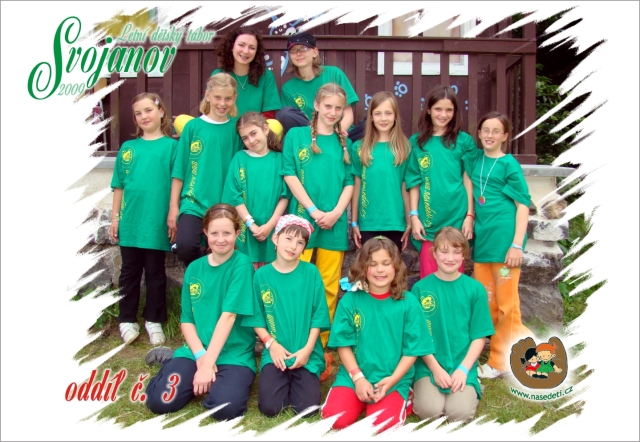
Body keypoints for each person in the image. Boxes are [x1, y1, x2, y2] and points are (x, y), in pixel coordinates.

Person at [144, 204, 257, 420]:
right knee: (159, 401)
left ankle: (216, 379)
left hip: (233, 354)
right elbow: (187, 319)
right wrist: (200, 357)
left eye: (227, 233)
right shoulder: (194, 268)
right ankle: (172, 362)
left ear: (237, 234)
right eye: (214, 233)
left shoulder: (241, 265)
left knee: (224, 409)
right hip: (197, 351)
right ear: (205, 233)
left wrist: (206, 366)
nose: (220, 239)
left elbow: (229, 317)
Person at [321, 237, 433, 433]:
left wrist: (393, 380)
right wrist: (358, 378)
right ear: (363, 267)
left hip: (392, 377)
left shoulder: (409, 302)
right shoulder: (350, 301)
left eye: (386, 263)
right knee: (334, 420)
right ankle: (358, 399)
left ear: (396, 266)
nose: (379, 270)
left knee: (381, 425)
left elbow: (413, 349)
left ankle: (404, 397)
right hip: (355, 375)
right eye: (372, 264)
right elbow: (343, 344)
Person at [281, 83, 353, 362]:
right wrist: (312, 210)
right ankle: (293, 338)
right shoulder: (296, 136)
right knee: (295, 281)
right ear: (317, 105)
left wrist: (335, 213)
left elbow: (349, 182)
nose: (332, 112)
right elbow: (290, 174)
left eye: (338, 108)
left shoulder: (345, 143)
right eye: (328, 106)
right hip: (301, 223)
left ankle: (320, 344)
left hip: (333, 224)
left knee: (328, 285)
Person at [241, 215, 331, 417]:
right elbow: (256, 317)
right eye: (288, 239)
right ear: (275, 239)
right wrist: (271, 344)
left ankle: (319, 364)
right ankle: (282, 376)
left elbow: (319, 316)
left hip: (305, 350)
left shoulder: (311, 273)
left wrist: (307, 350)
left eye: (300, 243)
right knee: (270, 408)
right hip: (276, 350)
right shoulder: (261, 275)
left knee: (307, 410)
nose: (293, 246)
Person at [468, 112, 533, 379]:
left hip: (505, 247)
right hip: (483, 244)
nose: (490, 135)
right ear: (479, 132)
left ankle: (500, 362)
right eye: (485, 130)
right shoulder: (475, 159)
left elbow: (523, 205)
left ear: (505, 136)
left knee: (507, 304)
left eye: (496, 131)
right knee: (487, 302)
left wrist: (516, 245)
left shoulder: (509, 165)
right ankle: (528, 347)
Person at [109, 92, 177, 345]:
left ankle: (154, 319)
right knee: (129, 271)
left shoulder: (172, 147)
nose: (144, 116)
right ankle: (126, 319)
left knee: (155, 271)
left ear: (161, 112)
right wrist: (115, 218)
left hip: (156, 221)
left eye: (148, 110)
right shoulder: (129, 148)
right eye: (138, 113)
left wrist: (173, 214)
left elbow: (176, 182)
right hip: (131, 221)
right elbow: (119, 185)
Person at [409, 227, 495, 424]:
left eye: (456, 252)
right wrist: (435, 369)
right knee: (429, 412)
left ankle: (472, 383)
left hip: (461, 362)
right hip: (429, 364)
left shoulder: (475, 289)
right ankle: (422, 385)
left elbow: (479, 335)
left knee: (458, 415)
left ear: (464, 254)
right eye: (444, 251)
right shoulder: (420, 289)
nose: (450, 258)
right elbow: (417, 336)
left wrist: (463, 369)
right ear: (434, 253)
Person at [168, 73, 244, 269]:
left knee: (223, 250)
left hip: (223, 205)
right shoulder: (193, 127)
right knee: (185, 247)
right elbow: (179, 170)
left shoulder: (235, 130)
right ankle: (204, 270)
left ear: (234, 98)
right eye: (217, 97)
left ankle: (211, 278)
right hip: (193, 202)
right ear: (207, 95)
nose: (222, 103)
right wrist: (174, 207)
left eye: (228, 98)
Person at [405, 85, 479, 279]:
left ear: (455, 112)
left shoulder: (464, 141)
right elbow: (414, 182)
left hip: (457, 215)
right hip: (429, 219)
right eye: (438, 109)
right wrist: (414, 216)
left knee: (453, 275)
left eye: (449, 110)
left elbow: (468, 180)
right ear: (429, 110)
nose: (443, 114)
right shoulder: (417, 142)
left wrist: (469, 215)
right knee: (429, 279)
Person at [221, 112, 290, 269]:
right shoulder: (240, 158)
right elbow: (234, 196)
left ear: (265, 129)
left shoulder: (280, 160)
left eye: (253, 133)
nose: (251, 141)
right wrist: (252, 225)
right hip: (247, 231)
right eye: (245, 138)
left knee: (269, 277)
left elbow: (285, 196)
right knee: (246, 273)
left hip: (272, 230)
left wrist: (269, 226)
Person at [349, 91, 412, 252]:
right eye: (378, 113)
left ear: (395, 116)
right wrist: (354, 222)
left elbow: (405, 187)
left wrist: (409, 221)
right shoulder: (359, 148)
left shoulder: (404, 148)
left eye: (388, 113)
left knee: (392, 265)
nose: (383, 118)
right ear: (371, 117)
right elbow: (357, 186)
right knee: (370, 265)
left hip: (395, 222)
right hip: (368, 222)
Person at [276, 32, 363, 140]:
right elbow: (293, 122)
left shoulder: (334, 73)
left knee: (372, 122)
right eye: (293, 50)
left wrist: (337, 135)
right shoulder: (288, 88)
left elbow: (348, 114)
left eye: (303, 48)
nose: (298, 53)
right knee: (285, 114)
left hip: (341, 132)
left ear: (315, 52)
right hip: (311, 135)